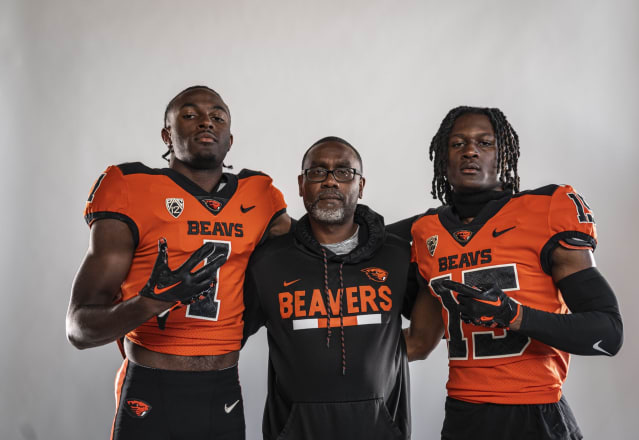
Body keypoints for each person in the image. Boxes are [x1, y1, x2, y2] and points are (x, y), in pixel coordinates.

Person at [66, 85, 291, 440]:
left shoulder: (260, 196)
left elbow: (315, 248)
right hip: (152, 387)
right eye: (190, 115)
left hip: (223, 387)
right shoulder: (130, 188)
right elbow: (79, 329)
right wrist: (151, 302)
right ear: (166, 134)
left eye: (218, 117)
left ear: (230, 139)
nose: (206, 122)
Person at [398, 106, 623, 439]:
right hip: (463, 413)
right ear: (442, 157)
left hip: (535, 413)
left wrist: (512, 314)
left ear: (503, 153)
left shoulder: (545, 210)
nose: (470, 150)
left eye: (484, 142)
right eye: (457, 143)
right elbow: (418, 342)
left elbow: (608, 331)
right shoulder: (426, 231)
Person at [242, 137, 418, 440]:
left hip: (380, 430)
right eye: (317, 172)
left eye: (344, 172)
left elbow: (426, 338)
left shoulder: (398, 255)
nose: (330, 182)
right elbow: (228, 338)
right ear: (300, 184)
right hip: (296, 431)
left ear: (361, 186)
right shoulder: (267, 262)